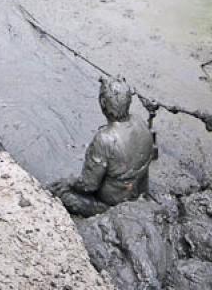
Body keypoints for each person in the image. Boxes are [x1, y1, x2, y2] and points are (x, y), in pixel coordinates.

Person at [48, 76, 154, 217]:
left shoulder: (104, 139)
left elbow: (88, 185)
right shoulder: (140, 122)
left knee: (61, 193)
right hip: (138, 192)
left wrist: (69, 182)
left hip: (112, 205)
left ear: (103, 103)